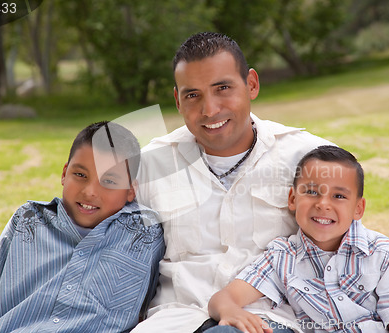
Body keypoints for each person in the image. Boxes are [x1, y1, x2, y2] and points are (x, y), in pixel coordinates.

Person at [133, 32, 333, 332]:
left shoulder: (309, 157)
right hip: (175, 319)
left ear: (251, 84)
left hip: (268, 318)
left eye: (223, 88)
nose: (210, 109)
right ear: (177, 100)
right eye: (192, 95)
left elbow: (353, 250)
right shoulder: (149, 164)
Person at [207, 145, 389, 333]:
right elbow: (225, 297)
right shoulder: (282, 256)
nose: (323, 204)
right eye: (312, 192)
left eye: (338, 196)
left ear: (358, 208)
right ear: (293, 199)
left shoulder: (382, 252)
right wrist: (230, 310)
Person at [0, 121, 165, 333]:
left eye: (109, 181)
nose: (90, 192)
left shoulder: (145, 232)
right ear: (64, 173)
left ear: (130, 191)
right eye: (80, 175)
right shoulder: (27, 220)